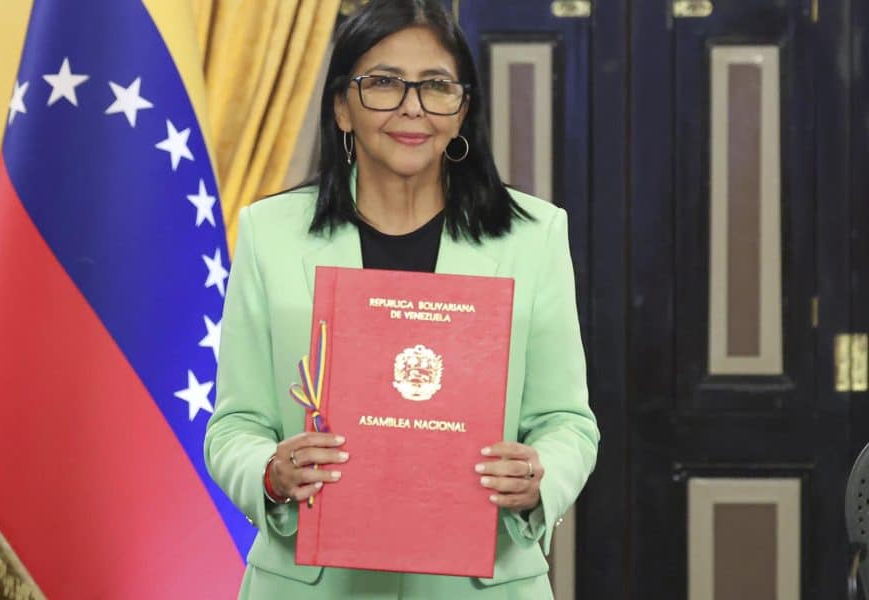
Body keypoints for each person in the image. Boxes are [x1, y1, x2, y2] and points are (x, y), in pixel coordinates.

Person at [204, 0, 600, 597]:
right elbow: (234, 425)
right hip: (310, 583)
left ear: (463, 109)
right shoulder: (270, 234)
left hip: (482, 582)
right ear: (341, 106)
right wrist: (271, 472)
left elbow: (567, 422)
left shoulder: (535, 236)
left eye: (437, 86)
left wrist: (541, 477)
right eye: (384, 83)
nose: (412, 107)